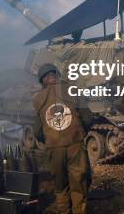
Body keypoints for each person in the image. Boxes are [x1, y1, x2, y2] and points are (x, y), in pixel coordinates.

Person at [33, 64, 92, 214]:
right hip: (75, 144)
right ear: (56, 75)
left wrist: (47, 140)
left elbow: (37, 130)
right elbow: (87, 118)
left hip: (54, 147)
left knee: (60, 185)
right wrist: (82, 132)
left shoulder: (38, 98)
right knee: (78, 182)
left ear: (42, 80)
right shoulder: (73, 89)